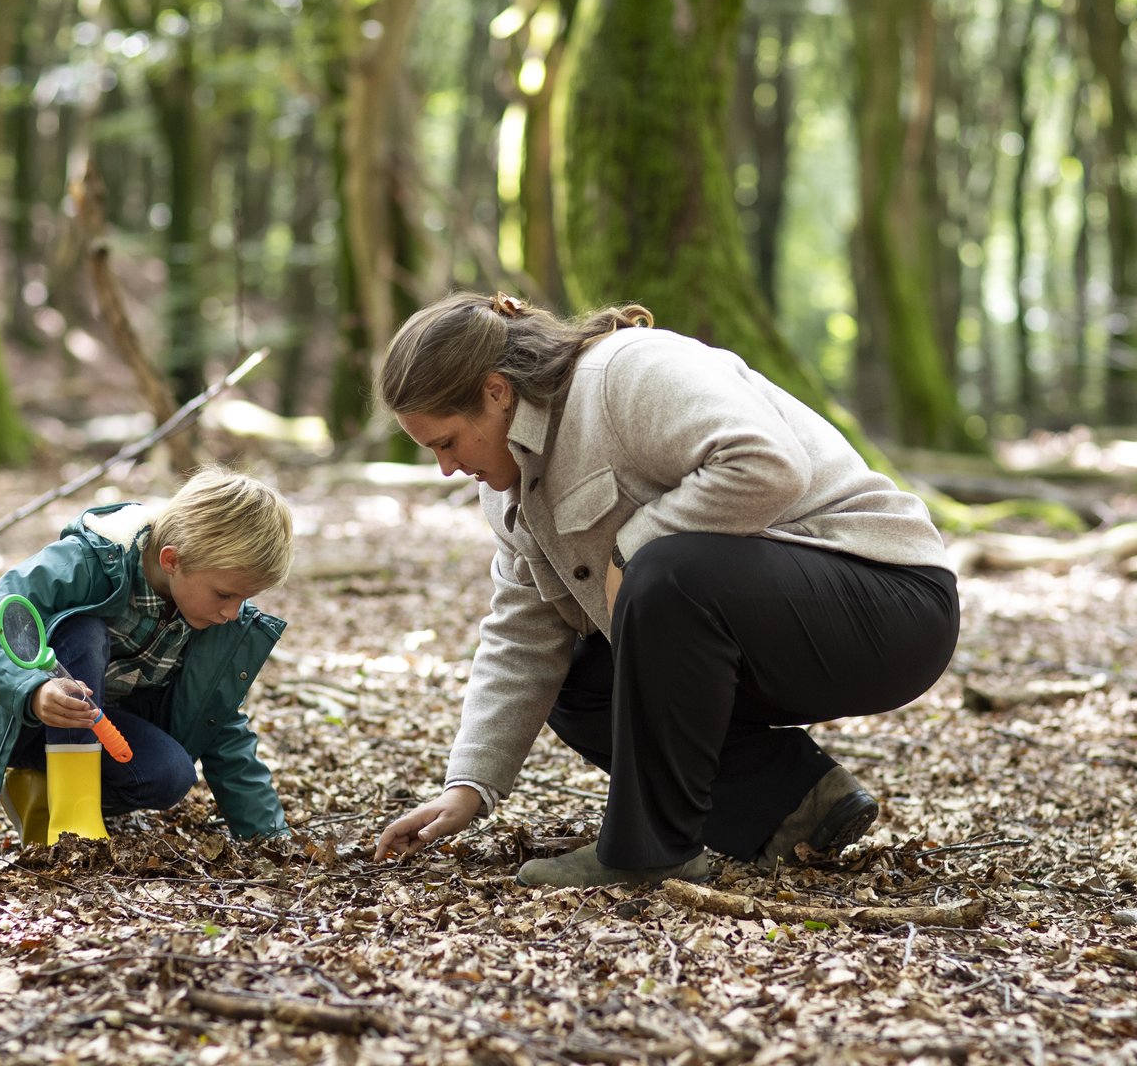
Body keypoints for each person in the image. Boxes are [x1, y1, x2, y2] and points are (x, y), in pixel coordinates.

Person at [371, 293, 959, 887]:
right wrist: (468, 786)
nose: (445, 467)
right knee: (580, 676)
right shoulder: (506, 489)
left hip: (889, 603)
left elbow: (769, 462)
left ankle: (649, 853)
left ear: (496, 392)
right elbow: (522, 634)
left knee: (666, 573)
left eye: (447, 442)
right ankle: (796, 806)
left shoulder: (626, 373)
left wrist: (631, 549)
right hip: (763, 627)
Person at [0, 466, 295, 849]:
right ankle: (72, 818)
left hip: (94, 725)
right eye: (225, 594)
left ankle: (43, 790)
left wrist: (269, 836)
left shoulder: (211, 618)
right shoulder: (86, 560)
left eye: (244, 599)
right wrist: (33, 690)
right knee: (84, 629)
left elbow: (219, 722)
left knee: (170, 776)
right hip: (5, 719)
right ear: (172, 560)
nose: (231, 611)